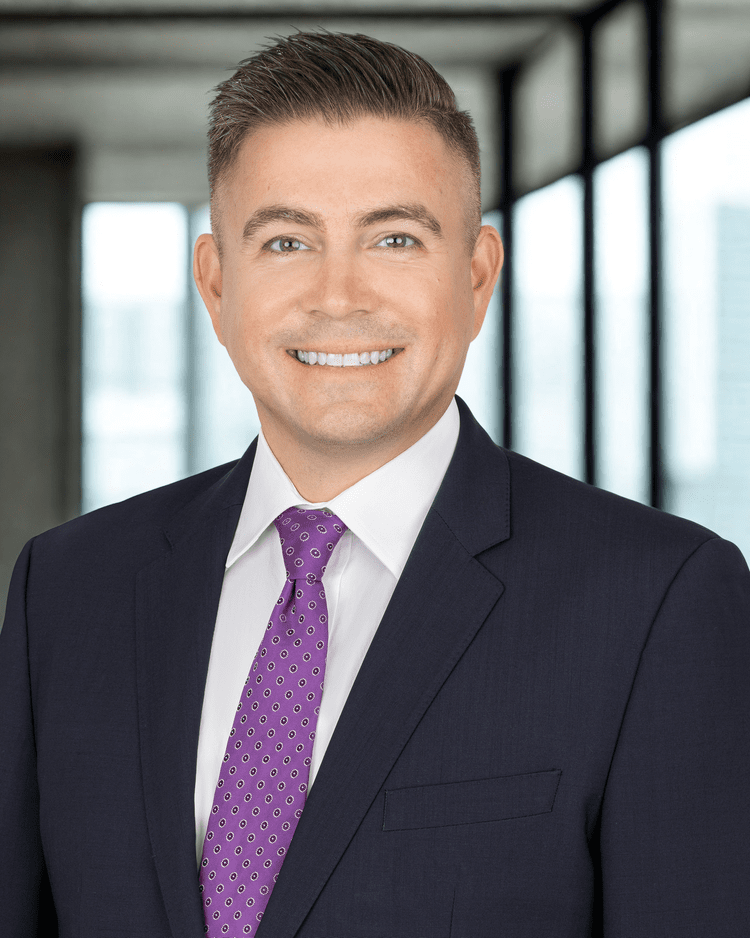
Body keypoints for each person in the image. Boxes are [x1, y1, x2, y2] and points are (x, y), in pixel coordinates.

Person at [1, 31, 749, 938]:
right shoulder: (67, 589)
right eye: (286, 241)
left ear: (476, 278)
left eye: (395, 238)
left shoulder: (656, 601)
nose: (339, 295)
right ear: (215, 282)